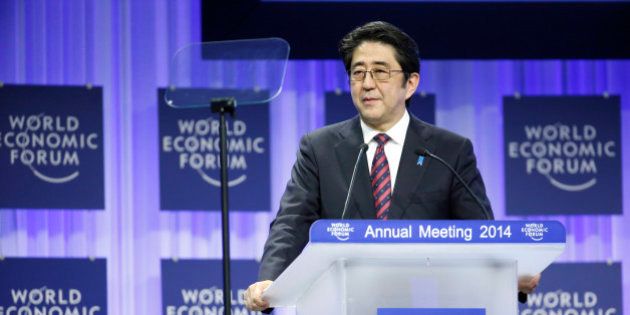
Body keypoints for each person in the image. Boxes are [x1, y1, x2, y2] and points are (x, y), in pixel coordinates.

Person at [244, 21, 539, 312]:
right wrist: (270, 278)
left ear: (410, 83)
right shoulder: (319, 148)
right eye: (358, 73)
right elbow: (292, 222)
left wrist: (509, 272)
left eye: (380, 72)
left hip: (427, 303)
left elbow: (481, 234)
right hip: (342, 303)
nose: (367, 83)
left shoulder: (449, 151)